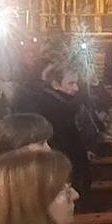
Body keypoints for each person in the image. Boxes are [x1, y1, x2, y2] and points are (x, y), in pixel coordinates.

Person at [28, 62, 90, 193]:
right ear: (55, 85)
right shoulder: (54, 109)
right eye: (71, 83)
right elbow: (65, 144)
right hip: (63, 171)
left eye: (76, 83)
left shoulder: (60, 103)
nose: (76, 88)